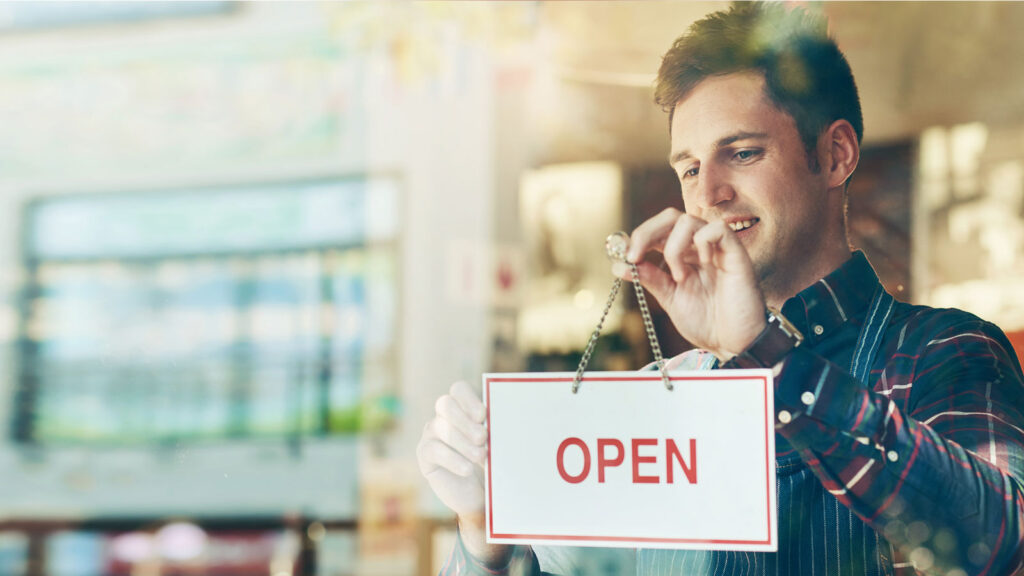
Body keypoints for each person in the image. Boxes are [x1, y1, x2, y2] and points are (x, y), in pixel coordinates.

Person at [416, 3, 1024, 575]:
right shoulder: (657, 397)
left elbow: (996, 544)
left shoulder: (941, 352)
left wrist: (766, 355)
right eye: (689, 167)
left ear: (835, 155)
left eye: (742, 152)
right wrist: (487, 536)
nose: (708, 193)